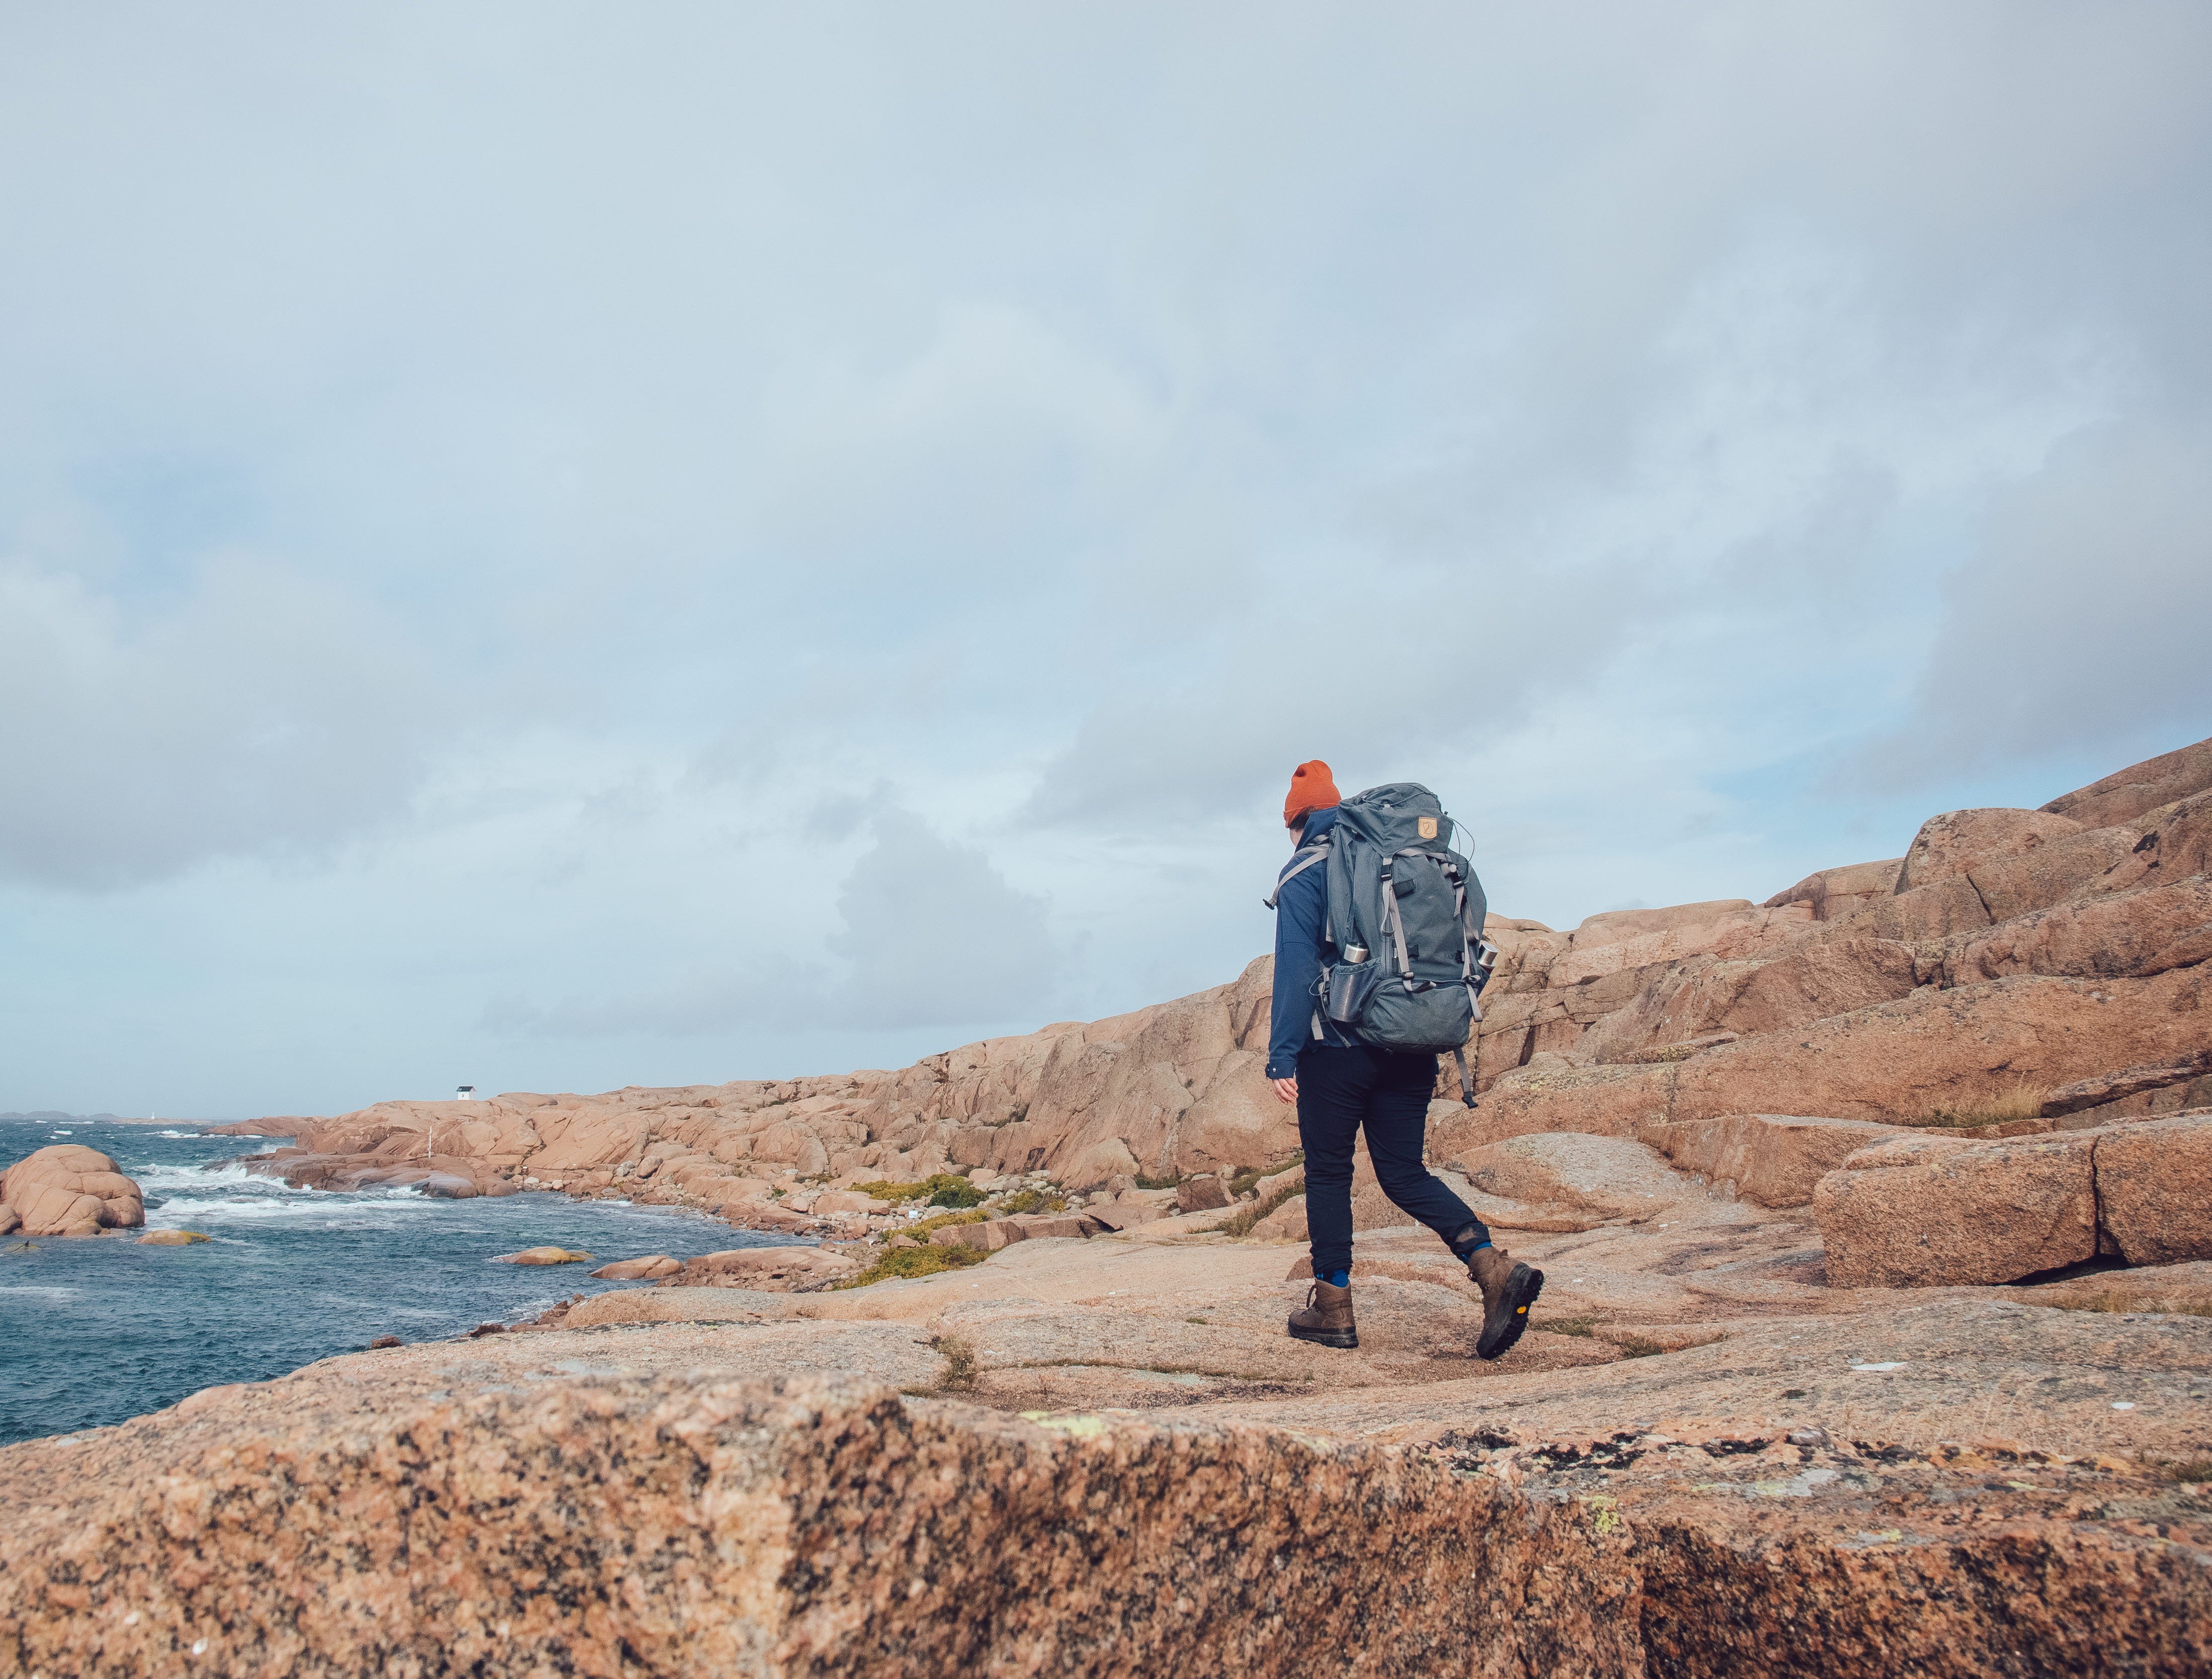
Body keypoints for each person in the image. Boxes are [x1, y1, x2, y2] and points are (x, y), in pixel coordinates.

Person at [1265, 759, 1542, 1359]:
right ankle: (1491, 1267)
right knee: (1403, 1173)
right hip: (1413, 1037)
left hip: (1337, 1048)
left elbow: (1292, 967)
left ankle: (1332, 1308)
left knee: (1330, 1173)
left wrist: (1281, 1054)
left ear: (1295, 822)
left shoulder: (1307, 867)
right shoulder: (1397, 856)